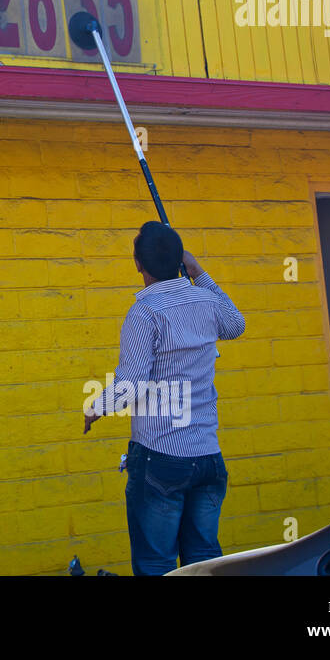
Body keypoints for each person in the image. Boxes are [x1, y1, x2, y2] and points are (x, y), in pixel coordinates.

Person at [83, 221, 245, 575]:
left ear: (137, 263)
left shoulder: (145, 312)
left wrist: (97, 406)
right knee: (204, 564)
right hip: (207, 457)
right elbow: (236, 325)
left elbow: (133, 382)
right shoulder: (205, 301)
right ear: (179, 260)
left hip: (161, 458)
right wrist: (200, 273)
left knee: (156, 563)